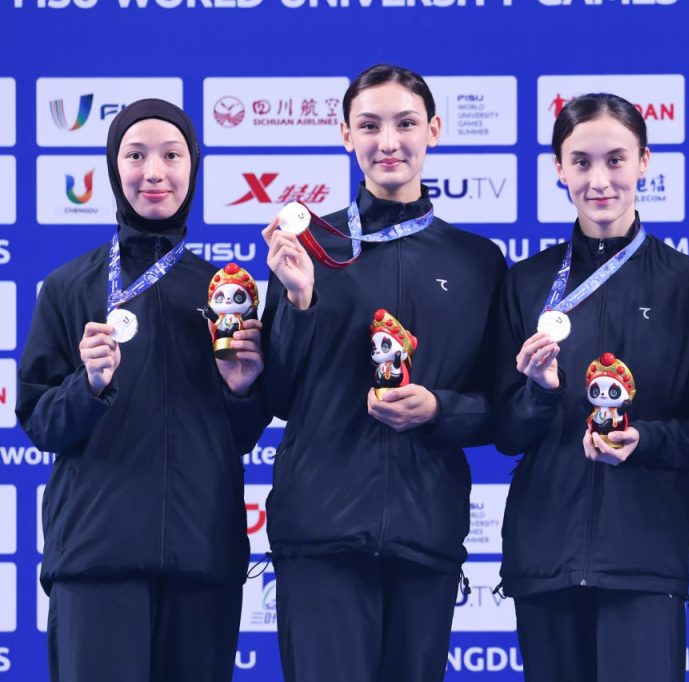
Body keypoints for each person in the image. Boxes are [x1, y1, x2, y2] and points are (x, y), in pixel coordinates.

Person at [259, 64, 507, 682]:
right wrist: (298, 301)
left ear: (434, 131)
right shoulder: (307, 246)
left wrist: (441, 409)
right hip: (319, 533)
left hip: (426, 536)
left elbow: (502, 408)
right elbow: (277, 393)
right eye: (369, 126)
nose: (388, 141)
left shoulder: (478, 261)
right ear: (346, 135)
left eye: (405, 123)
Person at [493, 92, 689, 681]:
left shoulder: (687, 283)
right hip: (545, 560)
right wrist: (538, 392)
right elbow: (503, 431)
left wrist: (646, 441)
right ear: (559, 168)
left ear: (644, 162)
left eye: (615, 160)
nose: (599, 180)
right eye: (581, 162)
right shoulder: (527, 282)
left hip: (644, 560)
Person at [16, 98, 266, 682]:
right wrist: (89, 386)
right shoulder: (68, 287)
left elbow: (239, 436)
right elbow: (40, 422)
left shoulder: (224, 292)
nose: (154, 172)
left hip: (203, 558)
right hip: (96, 559)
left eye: (171, 156)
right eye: (135, 155)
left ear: (193, 167)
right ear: (114, 167)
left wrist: (242, 392)